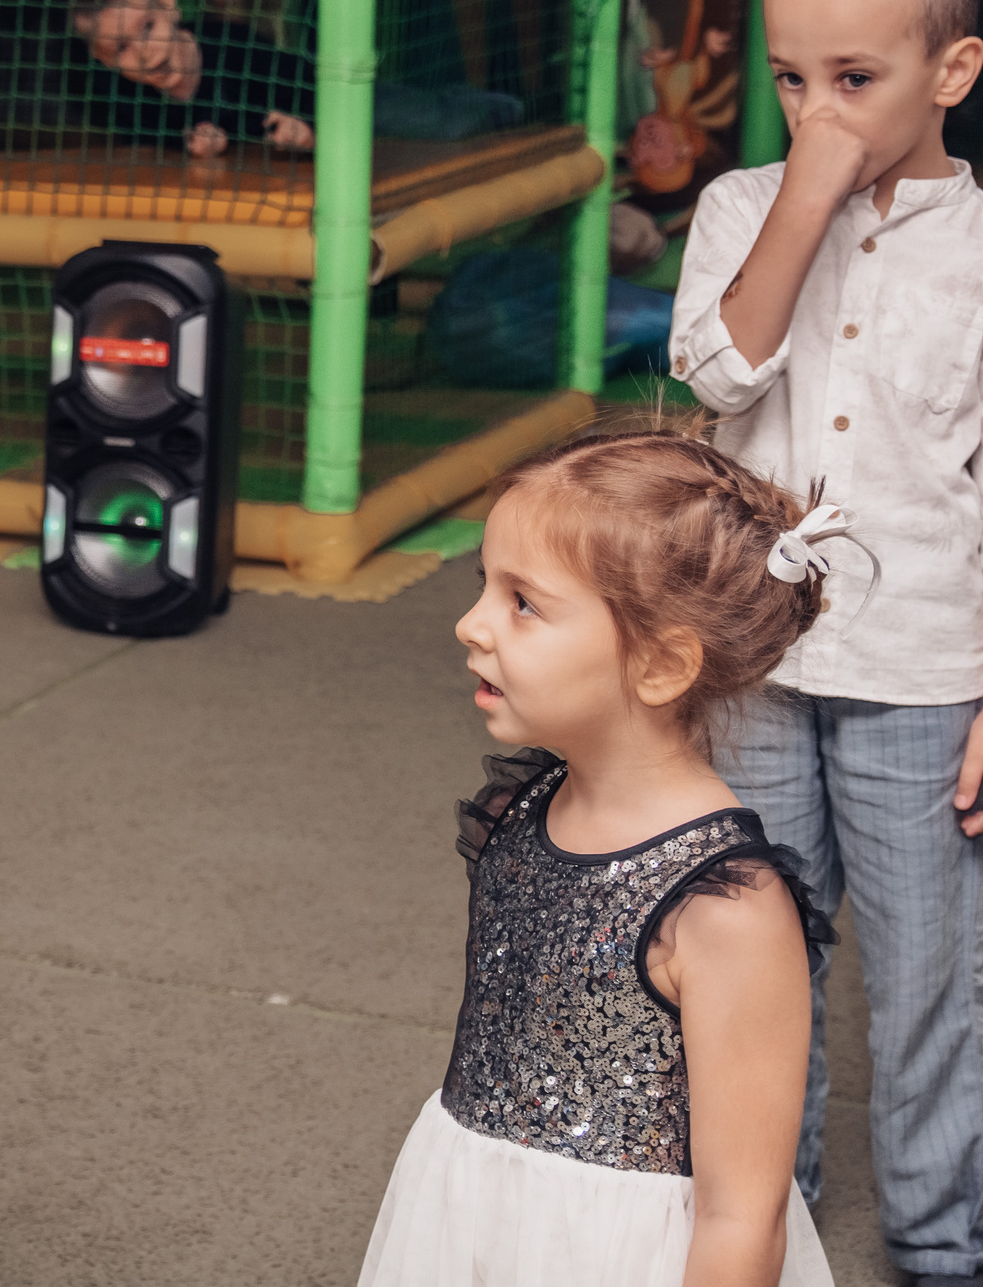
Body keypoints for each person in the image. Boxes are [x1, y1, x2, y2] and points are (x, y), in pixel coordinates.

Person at [667, 0, 983, 1286]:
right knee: (762, 950)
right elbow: (723, 371)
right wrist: (802, 195)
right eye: (795, 76)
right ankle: (766, 1219)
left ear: (954, 70)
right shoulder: (745, 202)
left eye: (856, 78)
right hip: (759, 663)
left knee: (926, 980)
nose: (820, 109)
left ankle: (936, 1243)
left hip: (926, 669)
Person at [359, 427, 845, 1286]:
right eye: (485, 586)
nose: (470, 624)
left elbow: (744, 1216)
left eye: (523, 602)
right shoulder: (526, 805)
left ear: (659, 665)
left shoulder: (724, 907)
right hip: (473, 1215)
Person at [70, 0, 523, 155]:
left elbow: (295, 88)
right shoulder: (125, 102)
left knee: (440, 124)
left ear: (169, 6)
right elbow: (154, 137)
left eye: (147, 28)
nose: (144, 52)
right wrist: (195, 139)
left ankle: (494, 105)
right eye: (122, 49)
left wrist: (307, 131)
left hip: (327, 99)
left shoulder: (232, 45)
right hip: (275, 163)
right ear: (104, 60)